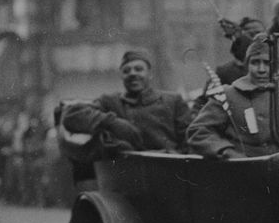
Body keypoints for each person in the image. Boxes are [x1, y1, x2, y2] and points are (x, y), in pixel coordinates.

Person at [186, 40, 279, 159]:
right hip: (241, 169)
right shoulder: (228, 95)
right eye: (255, 62)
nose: (261, 69)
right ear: (247, 65)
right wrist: (226, 152)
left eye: (268, 63)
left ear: (278, 66)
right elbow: (198, 131)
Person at [61, 49, 193, 157]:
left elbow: (189, 141)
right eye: (126, 70)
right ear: (121, 76)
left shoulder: (173, 101)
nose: (132, 74)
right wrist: (112, 122)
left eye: (138, 69)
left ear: (150, 74)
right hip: (127, 175)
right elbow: (71, 116)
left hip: (167, 171)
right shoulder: (110, 102)